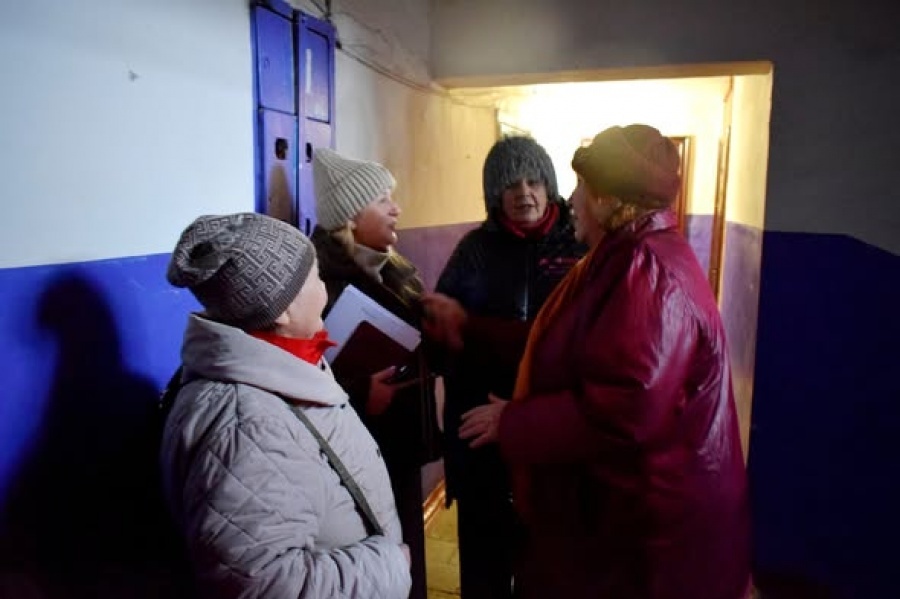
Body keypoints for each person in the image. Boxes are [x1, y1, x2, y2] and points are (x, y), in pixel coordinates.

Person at [463, 124, 752, 598]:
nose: (571, 200)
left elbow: (626, 409)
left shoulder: (647, 270)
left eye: (581, 187)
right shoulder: (628, 255)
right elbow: (576, 345)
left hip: (652, 532)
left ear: (607, 200)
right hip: (637, 516)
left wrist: (513, 422)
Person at [159, 212, 412, 599]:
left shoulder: (278, 363)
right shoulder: (249, 427)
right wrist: (388, 566)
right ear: (283, 311)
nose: (323, 285)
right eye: (314, 276)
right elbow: (260, 584)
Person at [422, 136, 587, 599]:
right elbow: (441, 343)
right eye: (511, 184)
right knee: (483, 573)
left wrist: (470, 327)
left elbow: (576, 345)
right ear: (495, 194)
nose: (524, 193)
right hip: (479, 441)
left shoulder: (579, 249)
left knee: (548, 573)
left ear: (550, 186)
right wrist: (438, 332)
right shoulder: (473, 251)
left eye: (533, 181)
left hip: (550, 442)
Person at [310, 148, 440, 599]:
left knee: (409, 549)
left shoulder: (397, 268)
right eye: (382, 199)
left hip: (402, 443)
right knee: (378, 557)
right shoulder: (318, 283)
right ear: (350, 216)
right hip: (361, 450)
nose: (396, 208)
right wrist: (361, 390)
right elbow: (306, 371)